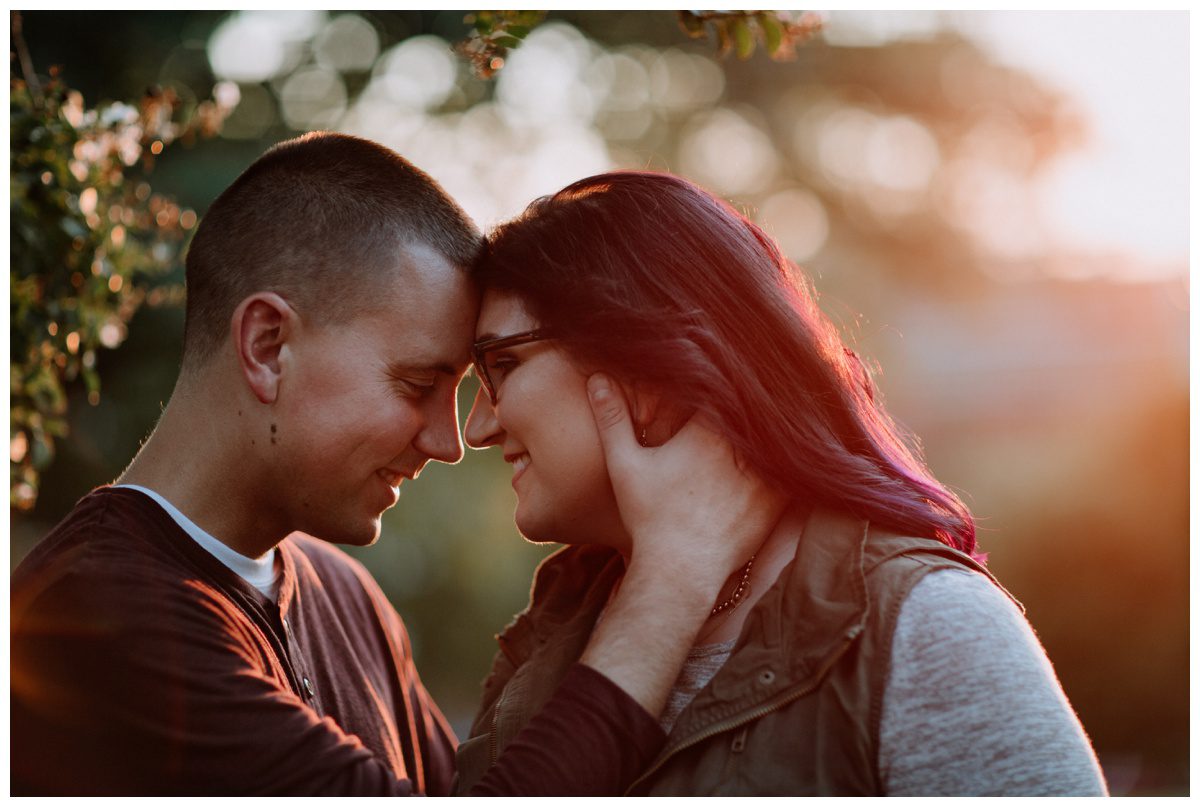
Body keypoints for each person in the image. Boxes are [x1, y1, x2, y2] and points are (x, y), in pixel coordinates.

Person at [10, 135, 780, 796]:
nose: (449, 442)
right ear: (268, 346)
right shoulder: (91, 617)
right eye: (417, 385)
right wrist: (670, 582)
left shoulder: (344, 594)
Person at [454, 171, 1110, 796]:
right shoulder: (554, 624)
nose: (477, 426)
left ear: (643, 362)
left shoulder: (930, 627)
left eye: (502, 364)